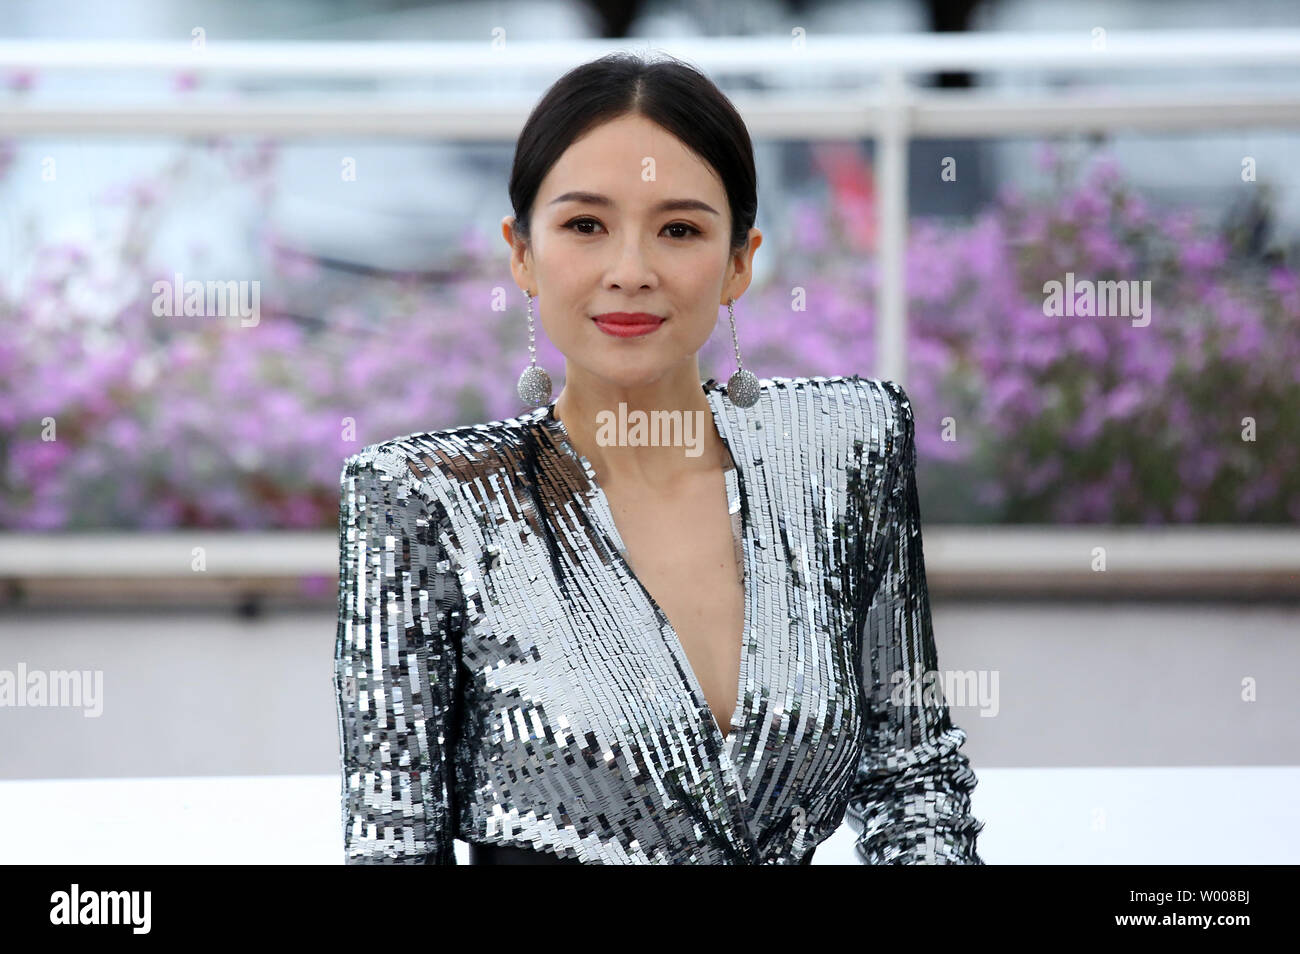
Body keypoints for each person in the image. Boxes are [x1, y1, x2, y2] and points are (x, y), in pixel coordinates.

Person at [333, 51, 985, 865]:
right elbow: (395, 845)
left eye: (678, 229)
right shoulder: (426, 502)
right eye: (585, 226)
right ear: (521, 253)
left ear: (740, 260)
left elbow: (912, 780)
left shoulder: (841, 449)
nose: (631, 272)